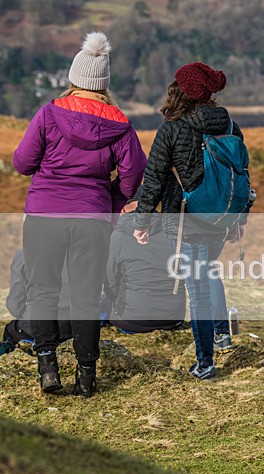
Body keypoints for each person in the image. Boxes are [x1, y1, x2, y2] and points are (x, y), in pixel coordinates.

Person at [12, 32, 146, 397]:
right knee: (86, 296)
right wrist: (109, 198)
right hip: (92, 218)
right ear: (103, 83)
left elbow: (22, 163)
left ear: (74, 78)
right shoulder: (120, 123)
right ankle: (87, 378)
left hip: (43, 214)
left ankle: (47, 368)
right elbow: (135, 178)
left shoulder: (49, 113)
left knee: (42, 289)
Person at [134, 62, 243, 380]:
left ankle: (205, 363)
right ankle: (221, 334)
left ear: (181, 91)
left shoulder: (171, 129)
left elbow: (153, 177)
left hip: (185, 220)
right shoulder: (231, 126)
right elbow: (241, 178)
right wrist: (238, 220)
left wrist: (142, 222)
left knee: (196, 288)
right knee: (207, 273)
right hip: (220, 220)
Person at [104, 194, 186, 334]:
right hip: (173, 318)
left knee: (100, 302)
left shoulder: (119, 235)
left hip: (133, 320)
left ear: (123, 209)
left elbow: (109, 281)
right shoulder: (175, 232)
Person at [1, 251, 72, 356]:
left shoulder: (24, 255)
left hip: (38, 328)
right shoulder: (83, 253)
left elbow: (15, 307)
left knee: (11, 329)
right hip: (75, 327)